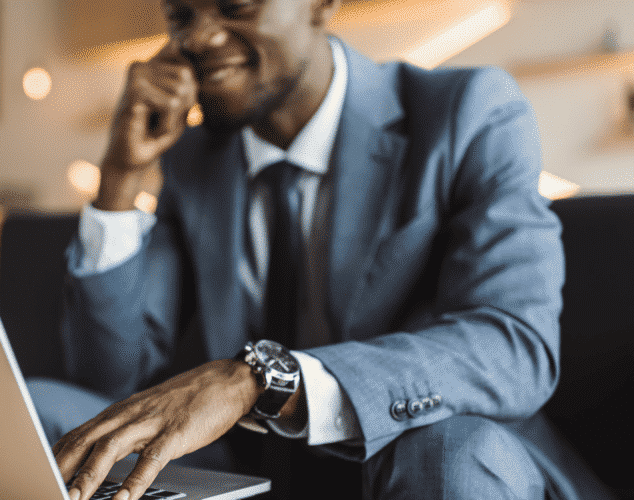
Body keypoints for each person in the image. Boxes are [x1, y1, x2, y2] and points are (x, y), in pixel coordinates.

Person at [28, 0, 577, 499]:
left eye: (234, 6)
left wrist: (260, 381)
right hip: (262, 469)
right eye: (180, 15)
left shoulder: (470, 111)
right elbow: (107, 379)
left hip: (434, 462)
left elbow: (516, 347)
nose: (198, 38)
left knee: (444, 452)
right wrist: (120, 180)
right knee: (42, 412)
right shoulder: (193, 160)